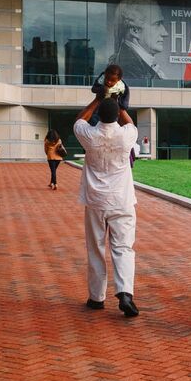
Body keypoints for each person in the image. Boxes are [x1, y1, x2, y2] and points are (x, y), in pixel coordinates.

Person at [74, 94, 140, 317]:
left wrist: (96, 100)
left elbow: (79, 120)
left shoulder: (89, 134)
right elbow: (130, 122)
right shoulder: (126, 135)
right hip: (122, 199)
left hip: (95, 201)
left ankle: (96, 297)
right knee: (123, 247)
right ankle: (125, 293)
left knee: (96, 248)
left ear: (98, 115)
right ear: (117, 116)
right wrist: (121, 106)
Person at [110, 0, 167, 85]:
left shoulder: (133, 66)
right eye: (157, 24)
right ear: (135, 31)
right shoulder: (128, 70)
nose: (165, 33)